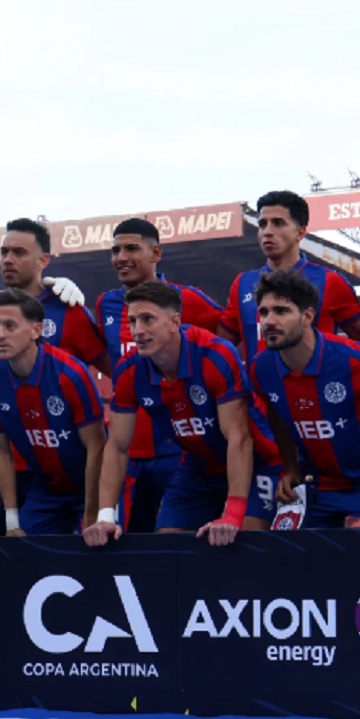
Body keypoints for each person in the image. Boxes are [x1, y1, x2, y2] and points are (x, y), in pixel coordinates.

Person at [84, 281, 280, 548]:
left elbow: (239, 438)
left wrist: (232, 514)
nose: (137, 331)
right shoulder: (129, 370)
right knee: (169, 549)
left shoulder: (216, 354)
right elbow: (117, 447)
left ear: (175, 321)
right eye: (132, 321)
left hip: (259, 462)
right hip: (198, 467)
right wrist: (106, 516)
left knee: (244, 544)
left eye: (147, 319)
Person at [250, 270, 360, 529]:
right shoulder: (260, 370)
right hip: (319, 484)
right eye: (264, 312)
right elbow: (276, 413)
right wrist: (291, 466)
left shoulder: (357, 360)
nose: (269, 321)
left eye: (281, 311)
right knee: (289, 559)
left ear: (308, 315)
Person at [96, 218, 224, 532]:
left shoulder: (185, 299)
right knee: (127, 546)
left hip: (176, 449)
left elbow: (227, 342)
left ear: (156, 253)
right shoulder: (107, 304)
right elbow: (107, 360)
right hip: (127, 451)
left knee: (175, 543)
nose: (121, 257)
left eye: (131, 248)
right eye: (115, 250)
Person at [0, 289, 106, 536]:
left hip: (94, 486)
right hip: (47, 491)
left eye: (10, 326)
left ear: (37, 330)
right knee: (25, 554)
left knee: (97, 551)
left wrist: (92, 512)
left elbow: (96, 446)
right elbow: (0, 450)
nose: (0, 335)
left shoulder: (70, 373)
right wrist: (12, 521)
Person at [218, 190, 360, 369]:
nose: (268, 231)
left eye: (278, 223)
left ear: (300, 232)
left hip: (316, 394)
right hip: (260, 395)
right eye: (263, 224)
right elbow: (218, 349)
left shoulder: (330, 281)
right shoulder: (242, 284)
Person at [0, 217, 110, 376]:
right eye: (4, 252)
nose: (8, 260)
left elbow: (113, 370)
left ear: (43, 261)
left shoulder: (70, 311)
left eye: (19, 252)